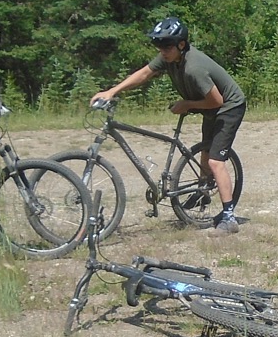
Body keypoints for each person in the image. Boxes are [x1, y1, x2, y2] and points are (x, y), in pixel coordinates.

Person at [92, 17, 247, 233]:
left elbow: (217, 101)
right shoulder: (169, 58)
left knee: (215, 160)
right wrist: (111, 91)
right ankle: (203, 192)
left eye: (166, 46)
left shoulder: (194, 68)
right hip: (210, 105)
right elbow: (144, 73)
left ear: (181, 45)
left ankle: (229, 217)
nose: (161, 51)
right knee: (204, 152)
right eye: (158, 46)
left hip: (229, 106)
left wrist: (187, 104)